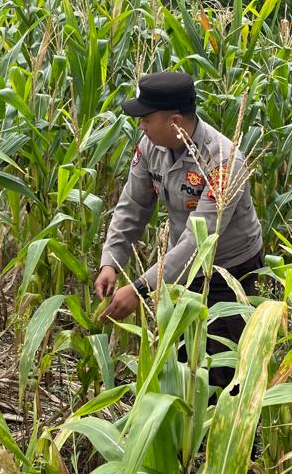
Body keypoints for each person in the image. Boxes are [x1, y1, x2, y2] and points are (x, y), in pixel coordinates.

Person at [95, 71, 265, 390]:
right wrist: (110, 262)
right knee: (185, 358)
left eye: (146, 119)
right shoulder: (150, 146)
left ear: (174, 122)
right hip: (182, 268)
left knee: (220, 369)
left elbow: (198, 240)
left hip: (228, 270)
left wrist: (140, 288)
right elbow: (133, 206)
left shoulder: (223, 161)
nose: (140, 126)